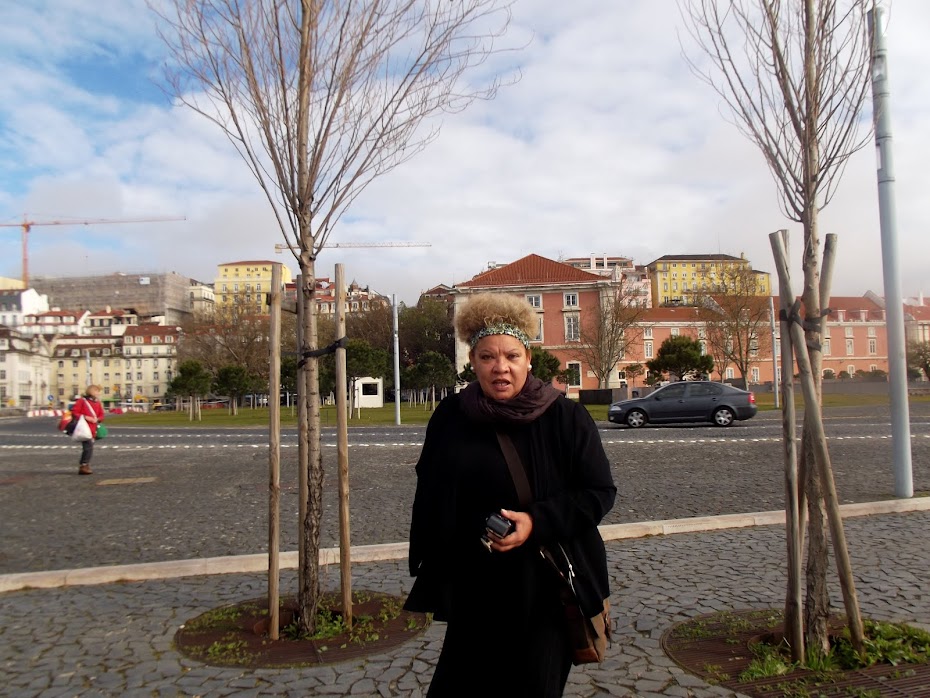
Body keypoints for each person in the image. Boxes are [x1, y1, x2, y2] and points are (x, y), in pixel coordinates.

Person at [404, 293, 617, 697]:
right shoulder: (451, 416)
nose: (500, 367)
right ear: (473, 362)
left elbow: (599, 492)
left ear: (529, 359)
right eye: (487, 357)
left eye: (512, 356)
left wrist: (535, 521)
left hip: (545, 591)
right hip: (475, 591)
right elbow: (430, 492)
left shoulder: (565, 416)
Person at [71, 385, 105, 475]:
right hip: (84, 428)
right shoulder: (82, 401)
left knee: (89, 448)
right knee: (88, 447)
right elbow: (74, 412)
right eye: (96, 391)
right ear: (91, 391)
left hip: (93, 428)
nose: (98, 393)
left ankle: (85, 465)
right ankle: (84, 465)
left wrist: (97, 419)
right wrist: (85, 417)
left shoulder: (97, 403)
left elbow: (101, 415)